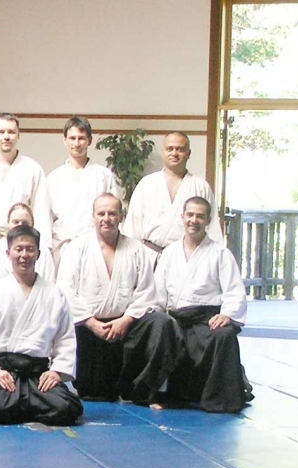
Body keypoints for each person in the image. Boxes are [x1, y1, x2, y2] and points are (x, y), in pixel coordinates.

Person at [57, 193, 182, 407]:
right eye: (101, 213)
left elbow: (146, 291)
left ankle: (143, 390)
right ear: (93, 217)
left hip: (126, 327)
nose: (106, 218)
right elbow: (65, 291)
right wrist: (92, 323)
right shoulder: (77, 248)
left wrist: (126, 320)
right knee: (96, 393)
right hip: (87, 328)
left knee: (163, 323)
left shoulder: (136, 249)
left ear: (121, 217)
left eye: (112, 213)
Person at [0, 224, 83, 426]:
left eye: (30, 249)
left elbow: (65, 338)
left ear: (38, 254)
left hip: (38, 375)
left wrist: (56, 371)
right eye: (18, 249)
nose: (24, 255)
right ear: (8, 253)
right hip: (6, 373)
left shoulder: (54, 294)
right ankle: (28, 407)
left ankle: (24, 406)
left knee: (65, 407)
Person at [155, 196, 250, 413]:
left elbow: (234, 290)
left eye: (200, 216)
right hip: (176, 319)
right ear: (182, 217)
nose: (194, 220)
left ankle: (220, 399)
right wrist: (159, 317)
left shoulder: (220, 253)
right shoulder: (169, 253)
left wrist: (227, 314)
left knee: (224, 335)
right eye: (190, 215)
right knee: (158, 328)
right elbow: (157, 293)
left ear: (208, 220)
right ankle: (160, 393)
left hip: (206, 319)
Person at [125, 132, 223, 253]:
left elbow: (212, 228)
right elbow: (132, 225)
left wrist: (214, 255)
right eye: (169, 149)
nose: (174, 153)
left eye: (180, 149)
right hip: (149, 255)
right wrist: (131, 255)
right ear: (163, 152)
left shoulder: (201, 186)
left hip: (187, 255)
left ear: (189, 153)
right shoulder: (146, 183)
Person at [47, 116, 123, 262]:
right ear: (65, 140)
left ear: (89, 140)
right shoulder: (53, 178)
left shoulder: (103, 175)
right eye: (72, 138)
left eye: (81, 138)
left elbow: (114, 212)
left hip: (95, 246)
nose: (77, 143)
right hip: (61, 245)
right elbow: (47, 218)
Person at [0, 114, 52, 251]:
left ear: (18, 135)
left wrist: (44, 249)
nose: (6, 136)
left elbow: (41, 214)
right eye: (1, 132)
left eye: (11, 132)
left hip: (20, 245)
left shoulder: (33, 169)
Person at [0, 203, 55, 303]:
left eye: (25, 223)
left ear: (32, 225)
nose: (20, 226)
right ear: (8, 224)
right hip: (1, 306)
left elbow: (50, 288)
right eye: (15, 222)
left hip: (37, 306)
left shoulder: (44, 253)